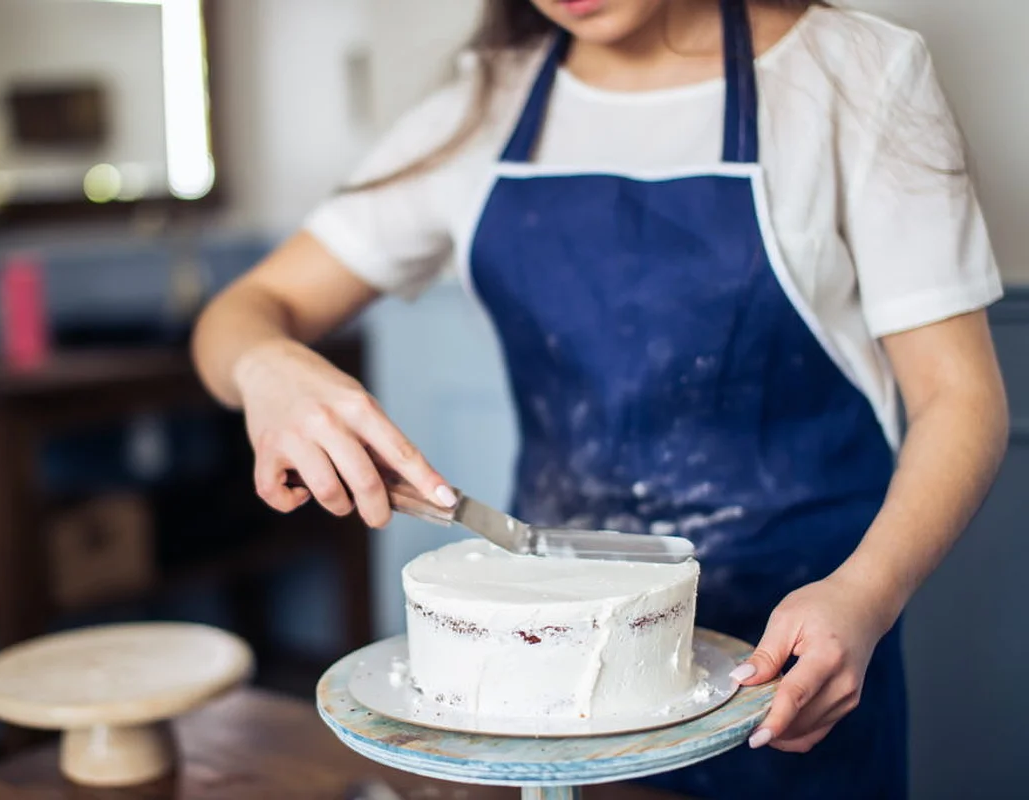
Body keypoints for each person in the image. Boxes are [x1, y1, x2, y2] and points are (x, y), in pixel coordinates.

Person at [192, 0, 1008, 796]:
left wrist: (865, 595)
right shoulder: (483, 109)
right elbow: (238, 317)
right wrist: (265, 365)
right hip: (545, 683)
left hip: (796, 657)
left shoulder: (854, 73)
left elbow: (959, 396)